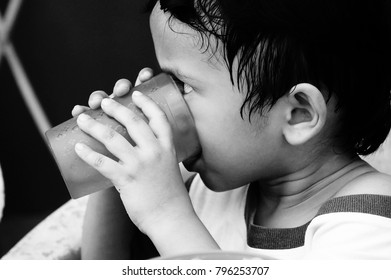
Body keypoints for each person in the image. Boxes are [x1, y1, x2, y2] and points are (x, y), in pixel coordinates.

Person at [71, 0, 391, 259]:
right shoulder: (205, 191)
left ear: (298, 114)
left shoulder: (369, 225)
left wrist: (166, 214)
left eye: (182, 84)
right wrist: (113, 177)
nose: (161, 98)